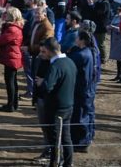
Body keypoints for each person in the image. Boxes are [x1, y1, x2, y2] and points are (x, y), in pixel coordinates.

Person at [38, 37, 76, 167]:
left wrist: (42, 83)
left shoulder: (55, 66)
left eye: (44, 51)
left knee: (54, 139)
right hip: (68, 106)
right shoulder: (70, 62)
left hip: (55, 108)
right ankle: (68, 163)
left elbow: (47, 87)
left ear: (49, 51)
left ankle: (54, 163)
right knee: (66, 137)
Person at [68, 30, 99, 153]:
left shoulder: (82, 55)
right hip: (88, 89)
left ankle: (82, 143)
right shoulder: (89, 51)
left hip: (82, 90)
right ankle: (88, 137)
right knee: (88, 113)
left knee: (81, 116)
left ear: (82, 40)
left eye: (77, 38)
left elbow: (70, 60)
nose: (75, 39)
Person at [0, 7, 24, 112]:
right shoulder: (14, 27)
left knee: (10, 82)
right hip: (12, 56)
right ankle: (13, 103)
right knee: (12, 82)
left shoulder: (12, 29)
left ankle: (11, 104)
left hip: (11, 58)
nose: (4, 16)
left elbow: (0, 41)